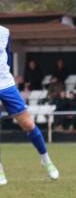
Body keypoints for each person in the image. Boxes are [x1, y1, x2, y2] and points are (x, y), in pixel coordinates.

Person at [0, 25, 59, 185]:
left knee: (28, 124)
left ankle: (45, 160)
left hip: (7, 85)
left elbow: (8, 58)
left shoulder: (5, 32)